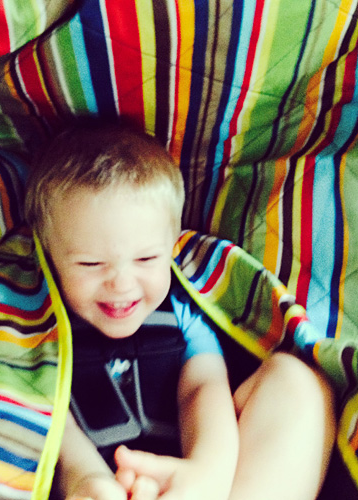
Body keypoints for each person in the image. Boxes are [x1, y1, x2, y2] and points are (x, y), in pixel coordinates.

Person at [24, 121, 336, 500]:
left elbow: (202, 389)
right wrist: (84, 478)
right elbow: (48, 417)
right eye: (90, 264)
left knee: (299, 381)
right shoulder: (31, 322)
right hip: (97, 485)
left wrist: (208, 473)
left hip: (204, 485)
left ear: (173, 246)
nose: (121, 283)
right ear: (48, 252)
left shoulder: (182, 313)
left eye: (146, 258)